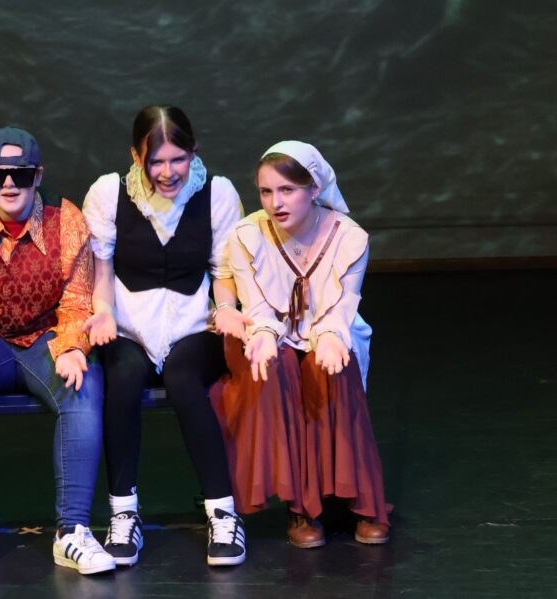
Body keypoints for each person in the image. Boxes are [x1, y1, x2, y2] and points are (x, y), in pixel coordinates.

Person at [0, 127, 115, 575]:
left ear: (38, 175)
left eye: (21, 174)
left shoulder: (66, 220)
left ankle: (71, 532)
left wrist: (72, 345)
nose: (10, 184)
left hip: (44, 340)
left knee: (84, 380)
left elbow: (77, 301)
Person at [81, 105, 248, 566]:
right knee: (123, 379)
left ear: (194, 152)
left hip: (193, 325)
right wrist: (102, 313)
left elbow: (224, 271)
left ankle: (223, 513)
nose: (168, 172)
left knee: (182, 379)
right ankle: (123, 513)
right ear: (137, 157)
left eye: (179, 159)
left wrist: (227, 310)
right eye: (156, 161)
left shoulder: (217, 193)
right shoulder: (109, 193)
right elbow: (102, 271)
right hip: (129, 325)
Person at [210, 140, 390, 549]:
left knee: (335, 366)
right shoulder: (247, 235)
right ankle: (300, 506)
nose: (276, 202)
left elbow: (342, 307)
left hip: (332, 329)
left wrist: (329, 336)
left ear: (314, 189)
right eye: (266, 191)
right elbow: (257, 306)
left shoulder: (350, 238)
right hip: (269, 331)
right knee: (280, 367)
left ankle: (363, 501)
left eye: (287, 190)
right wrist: (263, 335)